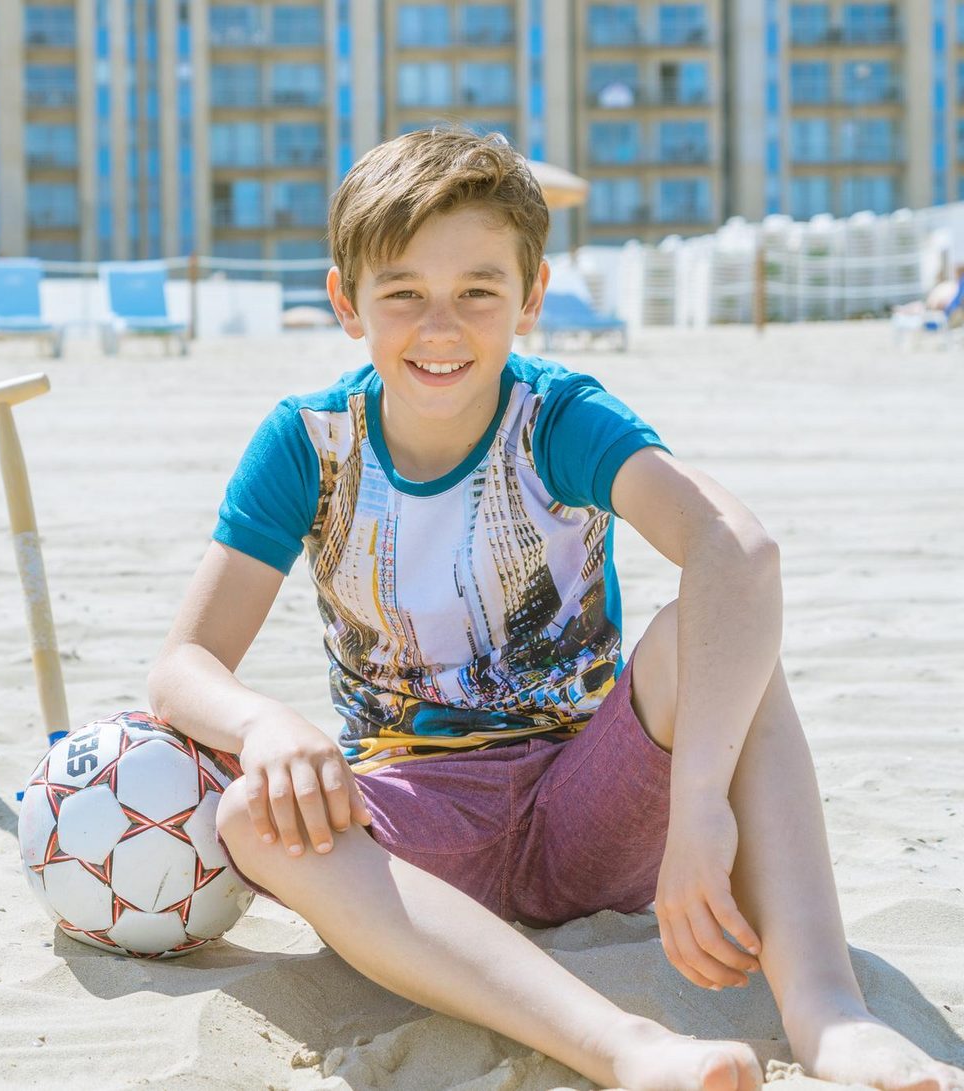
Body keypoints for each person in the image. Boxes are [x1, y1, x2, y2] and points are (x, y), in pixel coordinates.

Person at [148, 128, 964, 1091]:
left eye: (478, 292)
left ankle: (826, 1007)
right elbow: (182, 666)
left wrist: (699, 807)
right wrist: (264, 721)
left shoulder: (557, 418)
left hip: (594, 806)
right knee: (254, 814)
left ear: (530, 297)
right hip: (417, 828)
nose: (440, 327)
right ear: (345, 301)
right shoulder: (311, 444)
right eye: (403, 291)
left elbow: (736, 550)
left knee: (724, 643)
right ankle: (621, 1044)